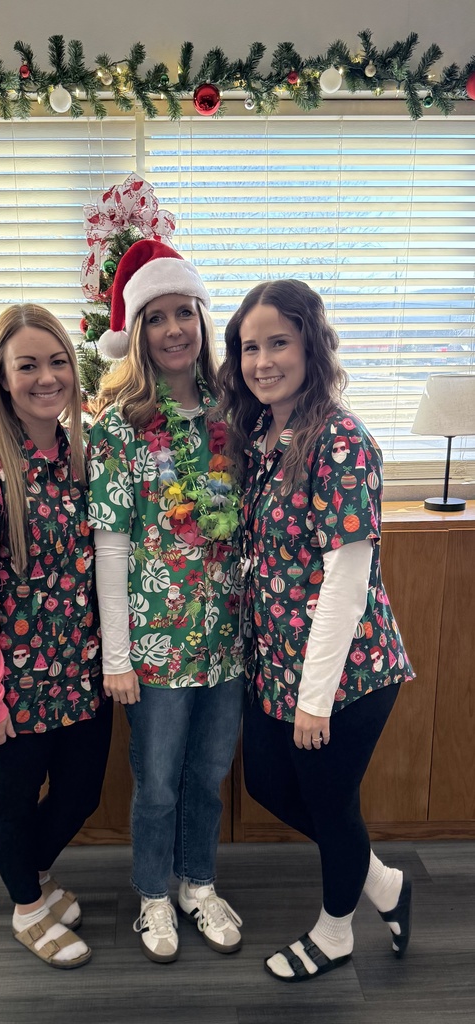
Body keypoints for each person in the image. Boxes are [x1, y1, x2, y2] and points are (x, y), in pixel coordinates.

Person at [218, 279, 415, 983]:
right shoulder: (264, 432)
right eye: (250, 347)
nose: (263, 360)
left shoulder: (341, 440)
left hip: (346, 674)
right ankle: (384, 885)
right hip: (277, 664)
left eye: (279, 343)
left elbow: (346, 581)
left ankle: (336, 933)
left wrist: (315, 699)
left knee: (331, 804)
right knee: (273, 786)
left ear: (310, 344)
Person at [0, 304, 112, 969]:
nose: (46, 377)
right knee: (15, 800)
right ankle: (27, 907)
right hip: (9, 685)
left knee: (81, 795)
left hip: (80, 673)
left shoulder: (83, 452)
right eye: (28, 365)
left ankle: (30, 875)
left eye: (58, 361)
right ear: (3, 377)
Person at [88, 238, 244, 963]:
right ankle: (153, 895)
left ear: (203, 321)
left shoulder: (232, 412)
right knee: (156, 785)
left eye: (187, 312)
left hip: (225, 639)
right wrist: (117, 657)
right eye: (157, 317)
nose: (176, 328)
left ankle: (196, 882)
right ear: (137, 331)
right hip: (154, 646)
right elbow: (112, 544)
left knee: (209, 776)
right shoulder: (119, 425)